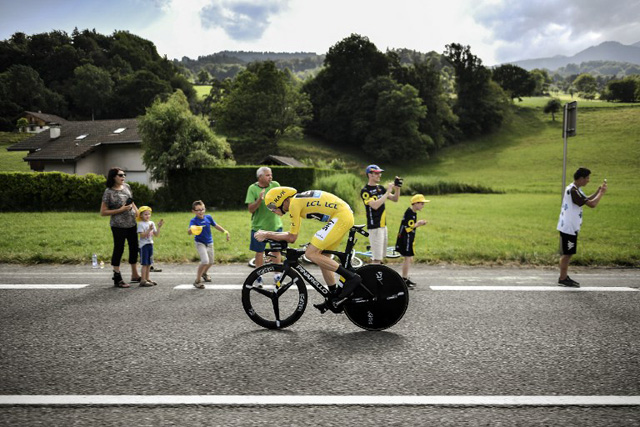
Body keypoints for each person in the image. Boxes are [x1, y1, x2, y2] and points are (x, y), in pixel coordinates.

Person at [254, 187, 361, 307]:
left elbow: (292, 237)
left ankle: (351, 277)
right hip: (341, 215)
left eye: (272, 207)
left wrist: (267, 234)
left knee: (310, 253)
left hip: (341, 217)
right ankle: (334, 295)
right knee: (322, 257)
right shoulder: (297, 200)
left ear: (282, 200)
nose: (272, 211)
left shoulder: (294, 204)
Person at [557, 167, 607, 287]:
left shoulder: (574, 188)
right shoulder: (574, 191)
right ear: (580, 178)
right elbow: (592, 204)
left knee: (568, 252)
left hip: (569, 227)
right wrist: (601, 193)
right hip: (569, 228)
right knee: (568, 253)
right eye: (587, 178)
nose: (588, 180)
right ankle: (563, 278)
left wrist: (597, 191)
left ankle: (563, 277)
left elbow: (586, 198)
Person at [100, 167, 141, 288]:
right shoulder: (109, 192)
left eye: (124, 175)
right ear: (113, 177)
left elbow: (131, 202)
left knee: (134, 248)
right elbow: (103, 212)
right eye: (120, 175)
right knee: (119, 249)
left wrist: (138, 213)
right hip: (118, 225)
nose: (123, 177)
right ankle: (117, 277)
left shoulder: (127, 186)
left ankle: (135, 274)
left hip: (132, 223)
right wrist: (120, 210)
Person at [361, 164, 401, 264]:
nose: (379, 175)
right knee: (377, 258)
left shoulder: (380, 188)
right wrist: (387, 192)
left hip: (383, 226)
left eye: (380, 173)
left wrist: (397, 188)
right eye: (377, 173)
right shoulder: (365, 191)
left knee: (381, 257)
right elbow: (375, 205)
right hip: (374, 227)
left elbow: (395, 199)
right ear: (370, 175)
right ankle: (372, 278)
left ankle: (376, 276)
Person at [245, 167, 283, 268]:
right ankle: (258, 277)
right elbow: (250, 209)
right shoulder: (252, 188)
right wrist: (259, 200)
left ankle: (277, 276)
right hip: (259, 227)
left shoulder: (275, 185)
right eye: (267, 175)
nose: (270, 177)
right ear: (260, 177)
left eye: (271, 175)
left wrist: (278, 208)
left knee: (276, 251)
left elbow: (280, 202)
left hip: (275, 226)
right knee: (259, 252)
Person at [188, 200, 230, 289]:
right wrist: (193, 229)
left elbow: (215, 225)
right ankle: (197, 281)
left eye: (202, 209)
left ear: (205, 209)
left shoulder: (208, 217)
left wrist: (225, 232)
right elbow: (189, 232)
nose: (201, 211)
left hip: (209, 242)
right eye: (198, 210)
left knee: (211, 262)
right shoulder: (194, 220)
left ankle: (204, 273)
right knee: (205, 261)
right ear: (193, 211)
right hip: (200, 243)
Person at [395, 194, 429, 289]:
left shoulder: (412, 212)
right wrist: (419, 224)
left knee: (409, 259)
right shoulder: (410, 213)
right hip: (406, 239)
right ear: (415, 203)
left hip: (408, 238)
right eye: (422, 203)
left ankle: (405, 277)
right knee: (407, 258)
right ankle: (404, 279)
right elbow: (408, 227)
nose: (423, 205)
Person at [136, 206, 164, 287]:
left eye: (149, 214)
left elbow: (156, 234)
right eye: (145, 214)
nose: (147, 216)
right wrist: (148, 229)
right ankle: (143, 280)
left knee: (149, 263)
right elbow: (142, 235)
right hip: (143, 245)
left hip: (150, 244)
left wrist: (158, 227)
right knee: (145, 263)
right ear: (141, 215)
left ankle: (147, 278)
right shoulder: (141, 224)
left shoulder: (151, 223)